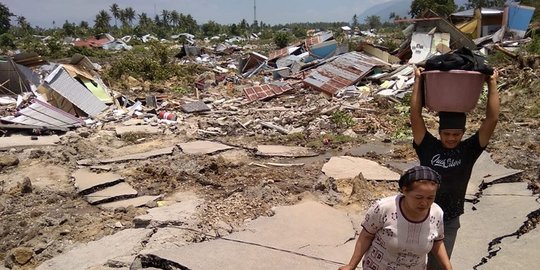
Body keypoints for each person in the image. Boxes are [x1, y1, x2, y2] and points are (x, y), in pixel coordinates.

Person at [410, 67, 500, 270]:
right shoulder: (428, 146)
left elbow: (491, 120)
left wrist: (492, 84)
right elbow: (415, 115)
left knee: (438, 267)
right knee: (408, 263)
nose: (451, 138)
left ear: (463, 133)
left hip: (449, 219)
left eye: (456, 134)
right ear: (439, 132)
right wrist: (418, 81)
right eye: (447, 134)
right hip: (419, 214)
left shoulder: (469, 150)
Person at [339, 166, 453, 270]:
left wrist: (448, 267)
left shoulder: (436, 213)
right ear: (404, 190)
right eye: (418, 197)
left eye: (430, 198)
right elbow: (366, 236)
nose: (424, 203)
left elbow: (437, 241)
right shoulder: (384, 208)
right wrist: (351, 265)